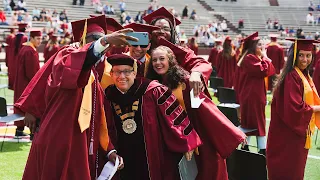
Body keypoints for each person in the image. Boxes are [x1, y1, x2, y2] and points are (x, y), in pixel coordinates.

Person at [20, 15, 137, 179]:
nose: (101, 43)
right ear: (82, 40)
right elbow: (80, 62)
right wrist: (103, 42)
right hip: (59, 138)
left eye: (102, 39)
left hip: (81, 142)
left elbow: (101, 119)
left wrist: (109, 149)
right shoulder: (67, 56)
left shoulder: (95, 78)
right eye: (94, 39)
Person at [146, 45, 246, 180]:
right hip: (168, 140)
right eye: (154, 60)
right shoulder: (152, 85)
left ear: (170, 60)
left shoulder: (186, 82)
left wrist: (232, 131)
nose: (158, 63)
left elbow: (205, 107)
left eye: (162, 59)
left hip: (193, 136)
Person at [105, 53, 202, 180]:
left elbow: (175, 117)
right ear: (111, 74)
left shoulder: (153, 90)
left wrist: (187, 142)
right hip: (122, 154)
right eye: (117, 72)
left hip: (151, 155)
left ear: (134, 73)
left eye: (127, 72)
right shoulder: (108, 95)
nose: (122, 76)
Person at [267, 39, 320, 180]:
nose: (305, 59)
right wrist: (316, 108)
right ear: (294, 56)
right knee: (288, 172)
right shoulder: (292, 77)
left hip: (296, 135)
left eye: (308, 55)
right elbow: (294, 109)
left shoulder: (303, 75)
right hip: (287, 136)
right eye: (301, 55)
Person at [143, 7, 212, 97]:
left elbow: (201, 64)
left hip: (177, 104)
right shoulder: (143, 51)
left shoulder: (180, 51)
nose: (161, 31)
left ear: (172, 32)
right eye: (157, 28)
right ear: (151, 32)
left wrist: (196, 73)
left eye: (166, 29)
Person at [237, 32, 275, 155]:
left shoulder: (253, 58)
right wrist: (265, 57)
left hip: (253, 95)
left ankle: (247, 146)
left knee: (252, 121)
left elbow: (269, 71)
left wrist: (264, 57)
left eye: (263, 45)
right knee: (255, 122)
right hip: (252, 96)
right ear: (253, 46)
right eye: (259, 45)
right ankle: (260, 148)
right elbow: (263, 71)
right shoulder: (249, 58)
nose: (262, 48)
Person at [14, 29, 42, 125]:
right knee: (29, 108)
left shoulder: (24, 49)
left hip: (21, 83)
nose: (40, 41)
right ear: (32, 38)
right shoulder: (30, 51)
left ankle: (19, 129)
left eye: (41, 39)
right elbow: (32, 73)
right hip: (27, 85)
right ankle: (32, 131)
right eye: (38, 38)